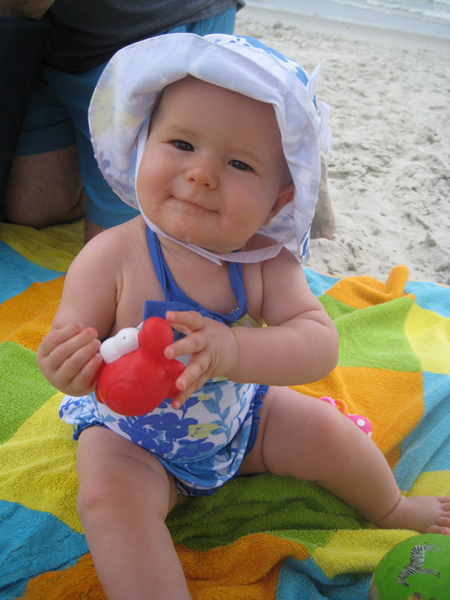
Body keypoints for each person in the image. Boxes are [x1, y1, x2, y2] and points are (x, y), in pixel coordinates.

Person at [37, 34, 450, 599]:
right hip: (132, 437)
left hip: (245, 421)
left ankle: (392, 506)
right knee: (108, 502)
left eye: (238, 163)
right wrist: (67, 366)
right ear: (142, 147)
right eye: (182, 143)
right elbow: (71, 340)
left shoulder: (262, 262)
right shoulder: (110, 256)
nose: (202, 174)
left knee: (326, 432)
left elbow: (318, 344)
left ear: (277, 201)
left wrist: (232, 351)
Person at [0, 0, 243, 241]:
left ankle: (124, 185)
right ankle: (99, 167)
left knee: (119, 241)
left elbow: (25, 6)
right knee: (31, 208)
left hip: (156, 28)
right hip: (55, 44)